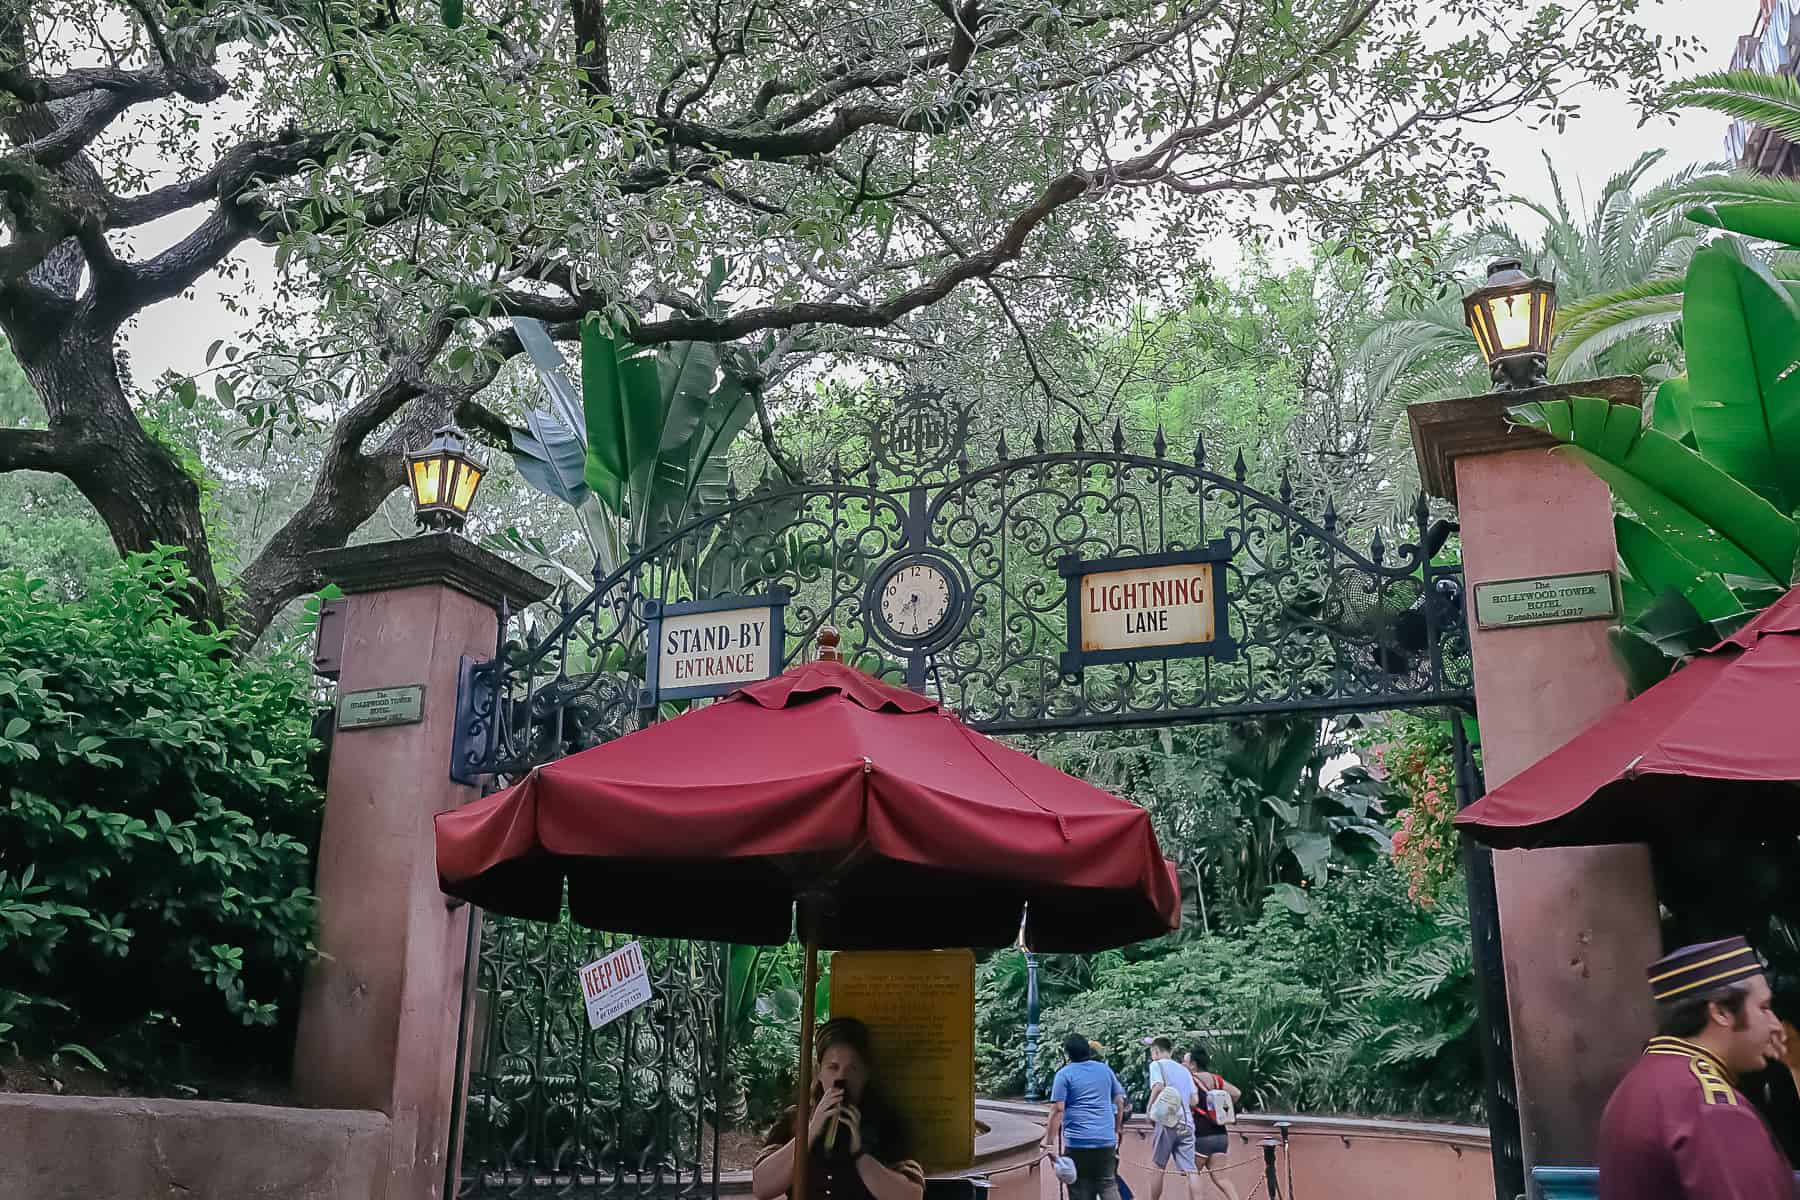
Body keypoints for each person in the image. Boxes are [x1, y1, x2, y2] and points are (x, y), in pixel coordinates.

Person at [1597, 936, 1797, 1200]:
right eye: (1764, 1008)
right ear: (1721, 1013)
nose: (1775, 1025)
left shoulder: (1642, 1080)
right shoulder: (1711, 1107)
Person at [753, 1017, 925, 1200]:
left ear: (866, 1074)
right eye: (833, 1068)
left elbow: (912, 1196)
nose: (841, 1078)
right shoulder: (795, 1118)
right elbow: (762, 1187)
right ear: (819, 1072)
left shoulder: (886, 1123)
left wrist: (860, 1155)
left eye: (853, 1069)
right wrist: (810, 1132)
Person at [1041, 1032, 1127, 1200]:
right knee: (1107, 1183)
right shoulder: (1104, 1070)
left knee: (1080, 1186)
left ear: (1067, 1054)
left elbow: (1058, 1109)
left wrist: (1048, 1141)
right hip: (1105, 1139)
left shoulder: (1064, 1074)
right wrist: (1117, 1128)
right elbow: (1119, 1101)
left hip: (1078, 1142)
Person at [1144, 1037, 1199, 1200]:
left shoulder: (1156, 1065)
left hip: (1167, 1121)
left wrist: (1149, 1109)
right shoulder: (1184, 1070)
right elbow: (1194, 1100)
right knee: (1191, 1169)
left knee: (1157, 1165)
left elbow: (1158, 1086)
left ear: (1155, 1051)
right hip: (1187, 1122)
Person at [1184, 1046, 1241, 1200]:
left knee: (1193, 1175)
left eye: (1185, 1063)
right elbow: (1236, 1093)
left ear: (1193, 1065)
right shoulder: (1216, 1079)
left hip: (1201, 1135)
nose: (1183, 1066)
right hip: (1221, 1135)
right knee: (1222, 1178)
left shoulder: (1190, 1081)